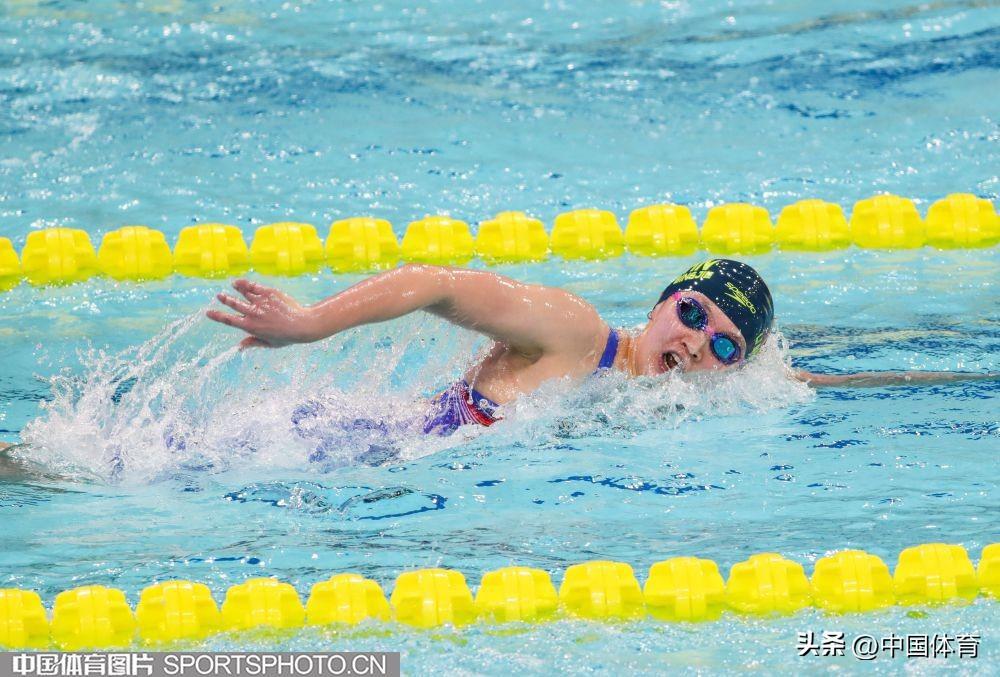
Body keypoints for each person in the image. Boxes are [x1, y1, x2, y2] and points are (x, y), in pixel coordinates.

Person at [205, 258, 995, 437]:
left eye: (724, 347)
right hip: (339, 447)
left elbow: (797, 378)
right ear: (661, 302)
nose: (696, 343)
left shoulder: (670, 397)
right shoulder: (578, 333)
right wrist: (308, 323)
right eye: (692, 312)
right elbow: (434, 284)